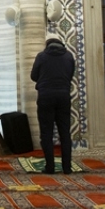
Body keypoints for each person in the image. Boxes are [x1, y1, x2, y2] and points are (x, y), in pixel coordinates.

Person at [30, 34, 75, 174]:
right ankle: (67, 167)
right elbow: (70, 74)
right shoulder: (68, 56)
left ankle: (50, 167)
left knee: (46, 132)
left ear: (47, 43)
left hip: (45, 97)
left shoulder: (42, 56)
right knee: (65, 133)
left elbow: (33, 76)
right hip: (63, 96)